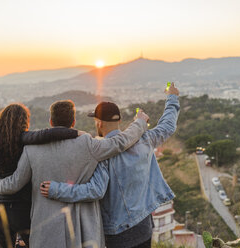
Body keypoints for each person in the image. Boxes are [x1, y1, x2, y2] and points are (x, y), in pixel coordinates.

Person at [0, 99, 150, 248]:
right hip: (84, 233)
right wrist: (140, 123)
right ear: (73, 122)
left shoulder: (31, 149)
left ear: (51, 121)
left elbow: (14, 184)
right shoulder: (88, 145)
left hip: (45, 233)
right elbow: (121, 142)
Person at [40, 83, 180, 248]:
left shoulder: (101, 153)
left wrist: (56, 190)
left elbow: (95, 190)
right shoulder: (145, 140)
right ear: (120, 120)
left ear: (98, 123)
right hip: (144, 227)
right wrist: (172, 97)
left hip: (119, 234)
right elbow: (168, 125)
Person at [0, 91, 80, 248]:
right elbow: (49, 134)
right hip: (23, 209)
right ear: (24, 121)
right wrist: (78, 134)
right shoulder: (25, 139)